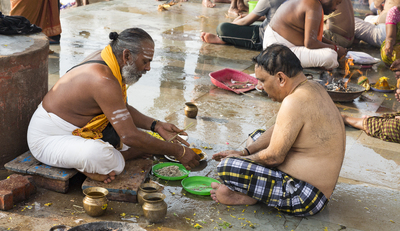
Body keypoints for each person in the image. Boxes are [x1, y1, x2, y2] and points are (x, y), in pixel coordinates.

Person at [27, 28, 200, 183]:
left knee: (140, 139)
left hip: (80, 130)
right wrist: (178, 152)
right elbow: (130, 136)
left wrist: (156, 125)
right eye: (145, 61)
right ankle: (123, 156)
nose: (148, 68)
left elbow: (120, 108)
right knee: (104, 157)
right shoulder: (103, 80)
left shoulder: (109, 60)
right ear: (127, 56)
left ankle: (108, 156)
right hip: (48, 139)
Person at [210, 44, 346, 216]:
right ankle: (252, 192)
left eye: (263, 80)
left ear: (281, 78)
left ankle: (248, 196)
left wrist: (242, 159)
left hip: (306, 197)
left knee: (227, 166)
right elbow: (280, 128)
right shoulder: (312, 86)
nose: (260, 86)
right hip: (312, 188)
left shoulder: (294, 101)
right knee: (256, 138)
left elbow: (274, 157)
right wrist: (245, 152)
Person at [263, 0, 347, 69]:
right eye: (337, 3)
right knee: (331, 56)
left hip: (281, 47)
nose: (336, 8)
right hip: (277, 52)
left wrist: (334, 45)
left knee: (330, 51)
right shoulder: (314, 4)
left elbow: (314, 36)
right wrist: (336, 49)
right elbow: (310, 43)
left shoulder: (313, 3)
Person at [200, 0, 285, 50]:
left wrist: (232, 25)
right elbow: (272, 15)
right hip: (282, 34)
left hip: (266, 38)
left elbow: (246, 22)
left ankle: (223, 38)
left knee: (222, 28)